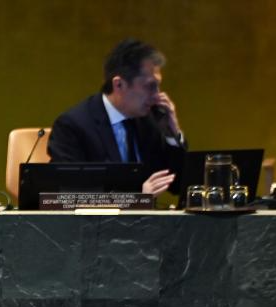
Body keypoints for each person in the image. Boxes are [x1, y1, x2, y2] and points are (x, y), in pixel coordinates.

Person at [47, 39, 186, 196]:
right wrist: (137, 197)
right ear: (119, 84)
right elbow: (70, 193)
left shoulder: (150, 119)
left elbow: (179, 185)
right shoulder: (73, 126)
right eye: (150, 86)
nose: (157, 95)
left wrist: (172, 134)